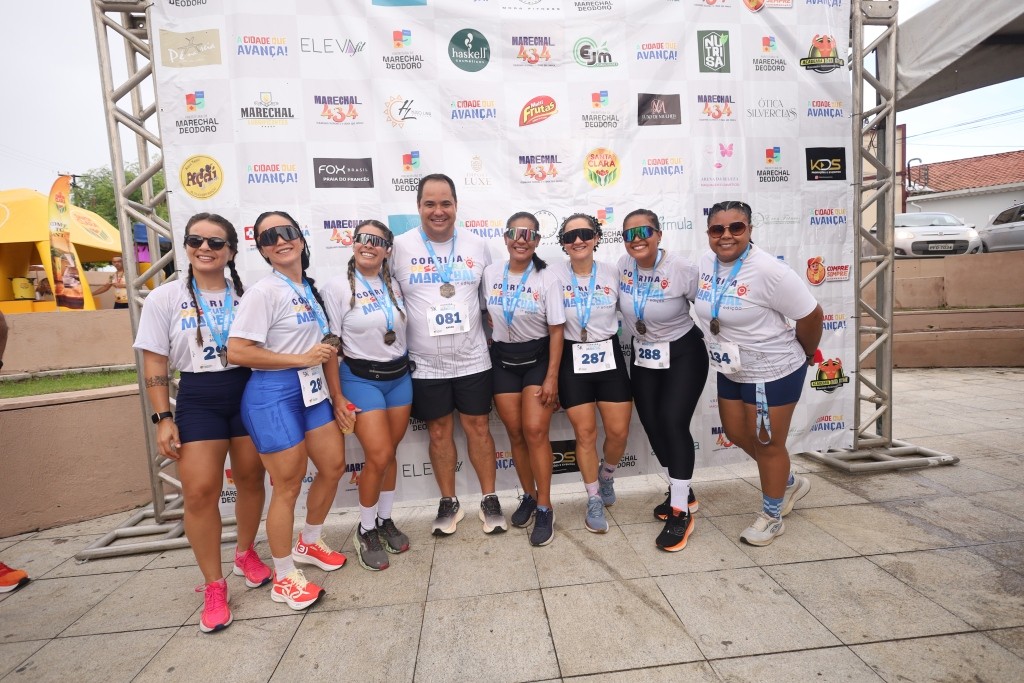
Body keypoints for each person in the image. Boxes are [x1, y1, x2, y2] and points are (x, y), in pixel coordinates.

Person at [133, 212, 270, 632]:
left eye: (215, 242)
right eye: (196, 240)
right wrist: (162, 417)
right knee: (199, 492)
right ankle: (214, 584)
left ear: (231, 251)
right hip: (198, 396)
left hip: (247, 389)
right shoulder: (164, 297)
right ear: (186, 246)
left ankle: (245, 552)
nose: (204, 248)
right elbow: (154, 361)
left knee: (251, 479)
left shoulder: (248, 295)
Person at [227, 210, 355, 609]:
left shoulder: (310, 289)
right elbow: (237, 351)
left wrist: (337, 397)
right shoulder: (263, 292)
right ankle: (284, 577)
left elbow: (327, 348)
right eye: (268, 238)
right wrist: (300, 359)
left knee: (333, 466)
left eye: (286, 232)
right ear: (263, 250)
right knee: (287, 485)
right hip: (273, 394)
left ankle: (309, 542)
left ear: (300, 238)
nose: (280, 241)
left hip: (313, 391)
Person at [693, 200, 821, 546]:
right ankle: (788, 482)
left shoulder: (769, 270)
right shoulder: (705, 263)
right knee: (736, 433)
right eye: (717, 229)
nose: (726, 235)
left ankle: (772, 516)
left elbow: (811, 315)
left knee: (767, 443)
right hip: (731, 366)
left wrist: (808, 353)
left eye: (736, 227)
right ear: (709, 233)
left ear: (749, 229)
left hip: (772, 368)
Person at [390, 174, 506, 536]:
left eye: (445, 203)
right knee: (438, 432)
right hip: (425, 363)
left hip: (473, 358)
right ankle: (448, 501)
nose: (438, 211)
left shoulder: (478, 245)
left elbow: (489, 302)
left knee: (478, 428)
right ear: (418, 207)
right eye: (430, 204)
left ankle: (489, 498)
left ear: (456, 205)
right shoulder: (399, 247)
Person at [616, 209, 709, 552]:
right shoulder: (623, 266)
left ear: (658, 234)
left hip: (683, 353)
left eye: (644, 231)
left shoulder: (681, 268)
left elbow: (711, 307)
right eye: (629, 234)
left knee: (672, 422)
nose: (637, 239)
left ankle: (681, 511)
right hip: (645, 355)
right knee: (654, 426)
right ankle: (681, 488)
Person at [323, 220, 413, 571]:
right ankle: (365, 528)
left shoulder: (394, 284)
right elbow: (331, 347)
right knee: (378, 454)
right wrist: (337, 396)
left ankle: (385, 519)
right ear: (354, 243)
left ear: (387, 250)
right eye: (363, 238)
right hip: (361, 380)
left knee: (390, 454)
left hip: (399, 378)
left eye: (377, 241)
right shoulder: (336, 287)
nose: (369, 245)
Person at [483, 212, 565, 546]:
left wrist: (552, 378)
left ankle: (545, 507)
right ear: (505, 237)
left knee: (535, 431)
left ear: (537, 241)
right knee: (515, 433)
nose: (521, 239)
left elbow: (557, 331)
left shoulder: (548, 278)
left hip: (537, 360)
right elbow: (484, 313)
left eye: (529, 234)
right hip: (503, 360)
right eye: (516, 233)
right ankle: (529, 496)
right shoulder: (490, 273)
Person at [551, 214, 632, 534]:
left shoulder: (613, 272)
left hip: (609, 355)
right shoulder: (553, 274)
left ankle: (607, 475)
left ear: (597, 238)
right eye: (569, 237)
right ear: (563, 244)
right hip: (573, 358)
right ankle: (594, 497)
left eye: (585, 233)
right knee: (585, 434)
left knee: (618, 432)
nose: (578, 241)